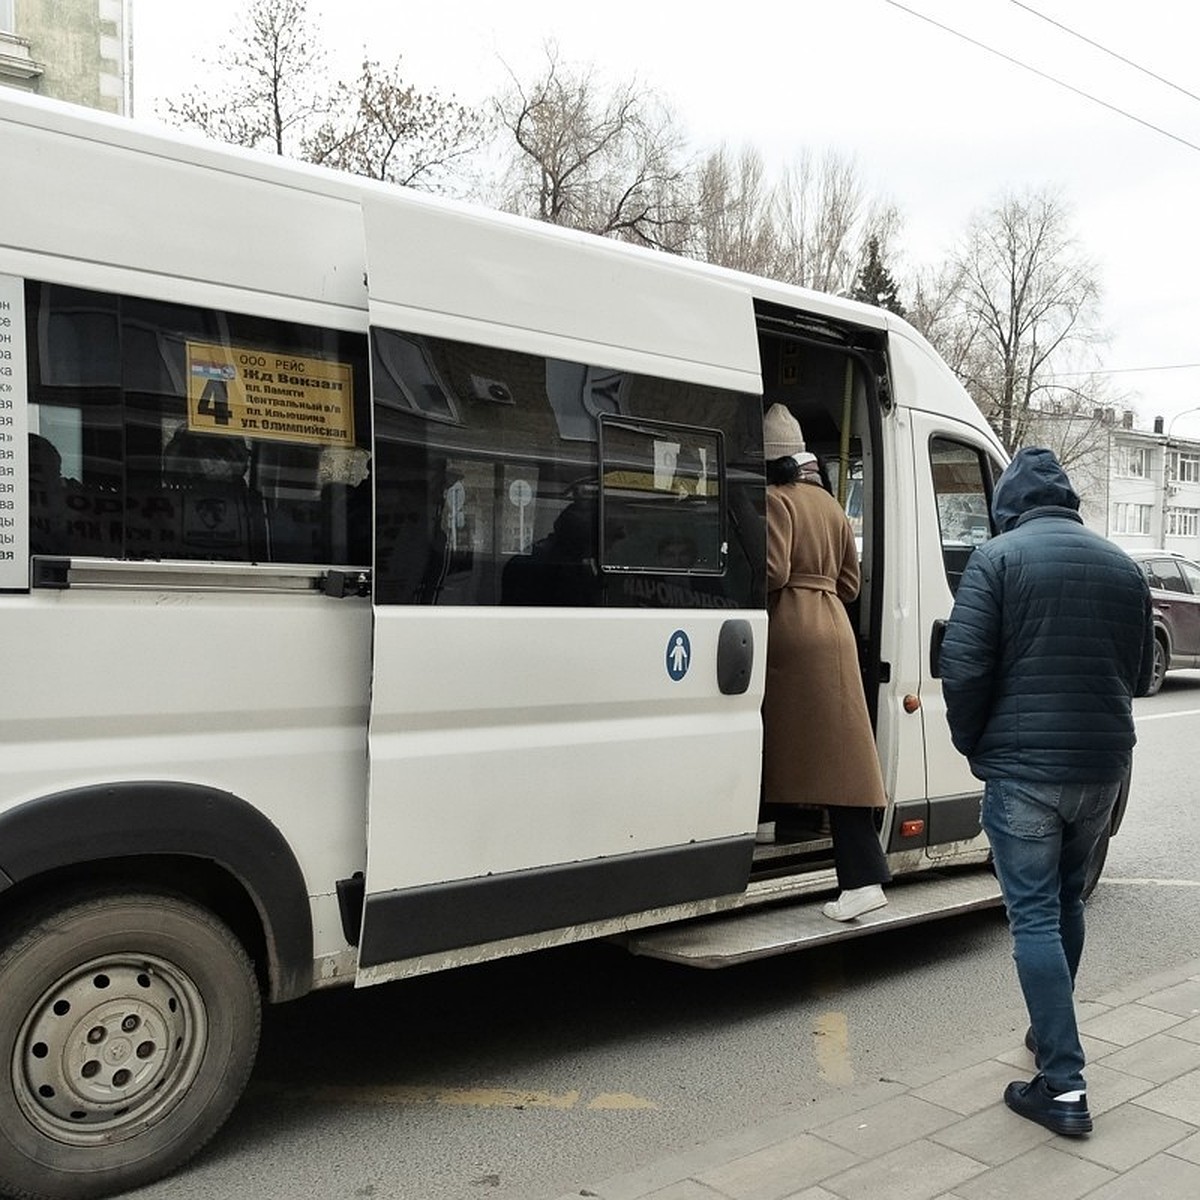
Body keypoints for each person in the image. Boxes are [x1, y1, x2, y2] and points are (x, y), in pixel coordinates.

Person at [939, 447, 1153, 1138]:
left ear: (1008, 507)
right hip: (1102, 768)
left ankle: (1063, 1088)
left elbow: (964, 667)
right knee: (1065, 900)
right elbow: (1142, 671)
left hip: (1025, 772)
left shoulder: (997, 561)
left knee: (1032, 915)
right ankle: (1047, 1026)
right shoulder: (1123, 566)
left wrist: (973, 744)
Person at [760, 403, 891, 922]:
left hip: (790, 628)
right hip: (832, 624)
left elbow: (771, 572)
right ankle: (788, 829)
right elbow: (851, 584)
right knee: (837, 751)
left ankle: (861, 878)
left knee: (777, 732)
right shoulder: (832, 506)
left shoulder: (775, 501)